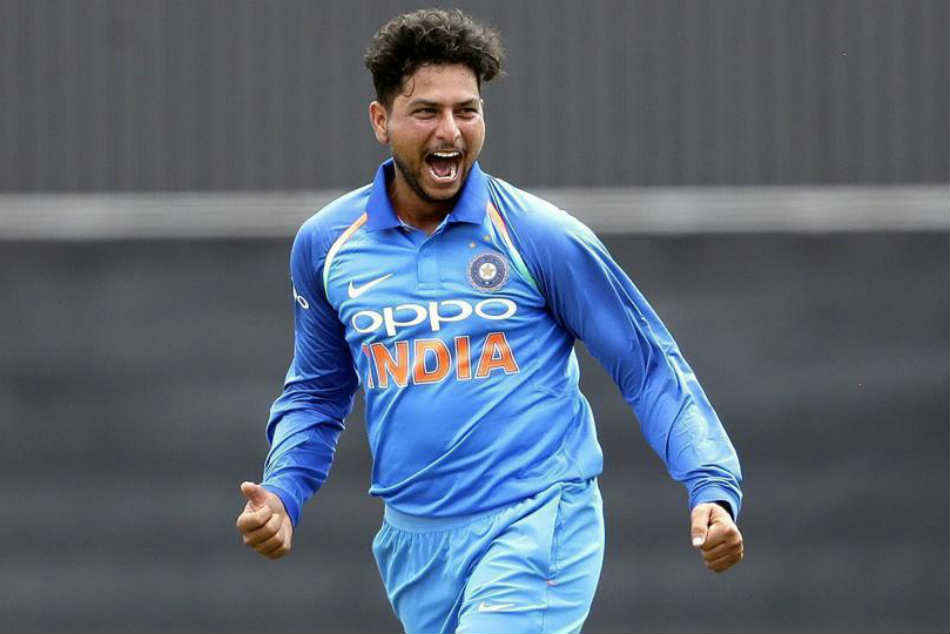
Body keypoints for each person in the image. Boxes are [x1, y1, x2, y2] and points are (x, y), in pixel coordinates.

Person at [235, 8, 743, 633]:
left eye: (466, 110)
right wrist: (283, 490)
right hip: (415, 546)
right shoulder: (327, 246)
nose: (450, 131)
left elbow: (649, 367)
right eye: (427, 111)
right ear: (381, 121)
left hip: (539, 521)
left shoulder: (539, 236)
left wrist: (710, 484)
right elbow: (317, 392)